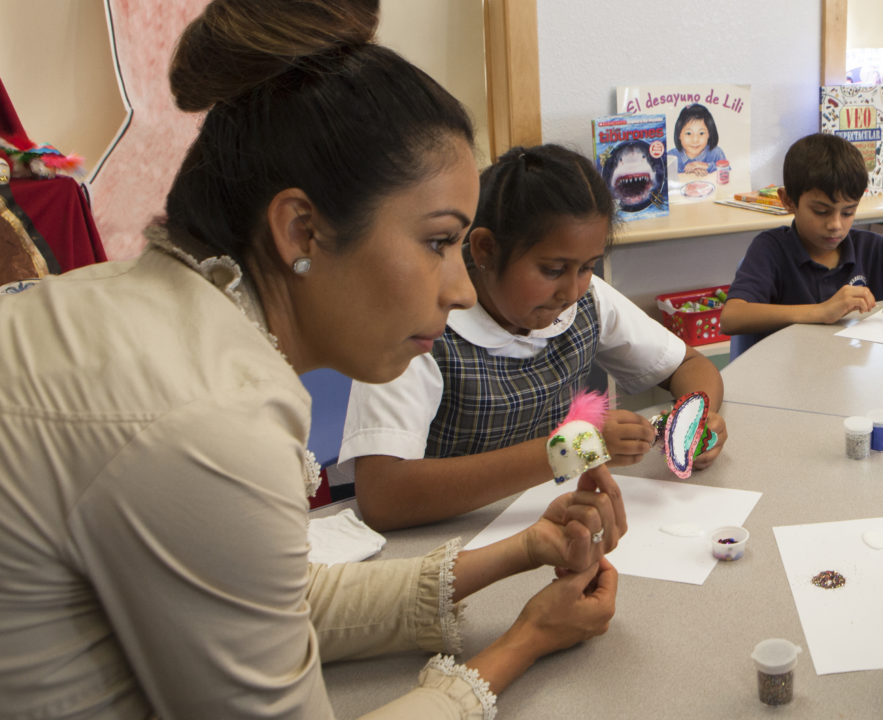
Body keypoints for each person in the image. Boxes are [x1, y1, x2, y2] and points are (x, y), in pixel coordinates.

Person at [0, 2, 623, 717]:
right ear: (302, 230)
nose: (458, 289)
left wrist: (519, 550)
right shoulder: (207, 414)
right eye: (437, 242)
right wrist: (520, 645)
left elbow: (275, 598)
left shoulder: (146, 315)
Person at [334, 143, 728, 531]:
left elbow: (689, 365)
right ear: (485, 249)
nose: (572, 291)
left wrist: (695, 417)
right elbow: (383, 497)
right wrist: (574, 450)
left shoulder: (584, 300)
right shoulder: (421, 330)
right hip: (448, 544)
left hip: (545, 525)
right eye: (553, 269)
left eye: (587, 267)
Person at [719, 133, 883, 341]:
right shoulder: (772, 250)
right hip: (787, 375)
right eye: (821, 211)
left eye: (848, 212)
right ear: (788, 201)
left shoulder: (871, 249)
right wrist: (821, 311)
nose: (835, 225)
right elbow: (733, 317)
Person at [665, 103, 728, 179]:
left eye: (701, 133)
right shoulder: (671, 157)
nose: (695, 140)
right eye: (688, 133)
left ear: (709, 134)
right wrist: (690, 173)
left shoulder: (716, 153)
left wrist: (704, 165)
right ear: (679, 134)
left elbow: (727, 173)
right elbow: (660, 177)